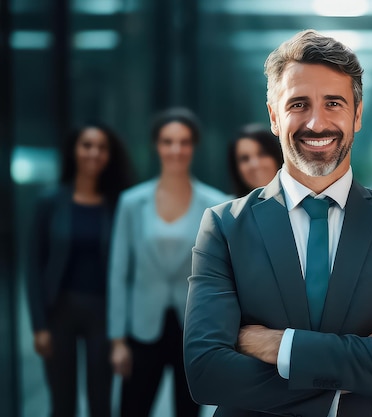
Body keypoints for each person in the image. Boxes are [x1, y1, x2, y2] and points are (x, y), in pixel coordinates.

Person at [184, 29, 372, 417]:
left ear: (357, 114)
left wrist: (284, 348)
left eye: (333, 103)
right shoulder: (224, 227)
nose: (316, 123)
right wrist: (365, 369)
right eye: (298, 104)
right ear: (274, 116)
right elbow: (206, 373)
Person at [108, 108, 229, 417]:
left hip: (192, 328)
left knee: (188, 410)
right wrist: (118, 339)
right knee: (132, 407)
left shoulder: (214, 204)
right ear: (156, 145)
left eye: (184, 142)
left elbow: (219, 277)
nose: (176, 150)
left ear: (194, 146)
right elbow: (119, 272)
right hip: (142, 324)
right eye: (168, 141)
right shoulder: (132, 202)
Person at [27, 123, 133, 417]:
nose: (94, 153)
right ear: (74, 150)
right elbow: (34, 266)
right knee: (62, 403)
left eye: (101, 147)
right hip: (59, 310)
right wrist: (39, 325)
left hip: (102, 311)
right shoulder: (50, 202)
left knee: (101, 402)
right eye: (87, 145)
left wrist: (121, 332)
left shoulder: (118, 204)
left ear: (109, 156)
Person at [227, 124, 283, 196]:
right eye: (245, 159)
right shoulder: (229, 206)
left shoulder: (299, 200)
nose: (255, 164)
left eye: (262, 154)